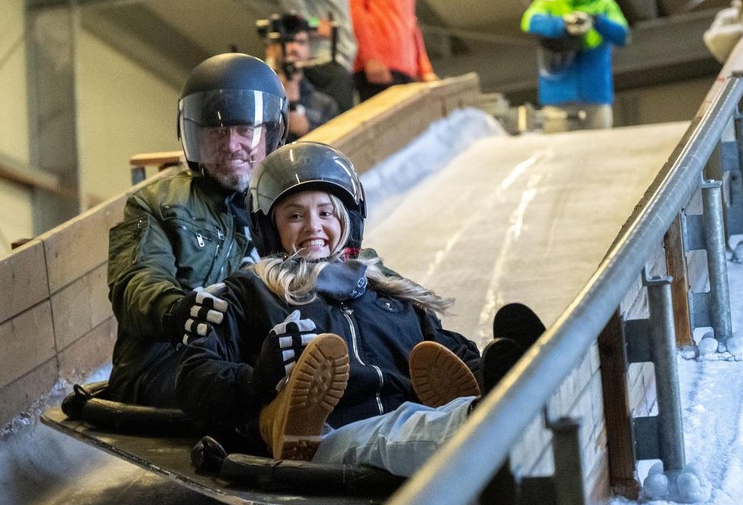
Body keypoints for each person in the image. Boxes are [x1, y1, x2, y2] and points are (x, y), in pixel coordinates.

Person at [176, 142, 526, 474]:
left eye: (325, 212)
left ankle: (519, 382)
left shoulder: (383, 290)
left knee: (423, 419)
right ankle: (484, 421)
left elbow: (446, 349)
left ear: (347, 220)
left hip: (413, 418)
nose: (313, 226)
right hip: (329, 439)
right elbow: (193, 382)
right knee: (394, 434)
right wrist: (259, 378)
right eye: (295, 216)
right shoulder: (250, 292)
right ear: (270, 228)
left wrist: (486, 369)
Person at [106, 53, 288, 407]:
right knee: (244, 381)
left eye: (245, 130)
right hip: (167, 360)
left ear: (269, 132)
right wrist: (177, 311)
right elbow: (136, 281)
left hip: (255, 352)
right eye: (217, 132)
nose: (232, 145)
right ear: (194, 136)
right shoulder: (157, 202)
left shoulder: (286, 204)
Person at [521, 0, 629, 132]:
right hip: (557, 99)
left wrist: (596, 20)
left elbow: (622, 35)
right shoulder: (550, 1)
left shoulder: (603, 2)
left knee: (600, 151)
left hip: (596, 98)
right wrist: (564, 24)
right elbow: (529, 21)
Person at [257, 13, 340, 138]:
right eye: (288, 40)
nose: (294, 47)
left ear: (308, 49)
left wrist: (307, 129)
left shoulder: (325, 105)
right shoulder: (258, 99)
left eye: (301, 42)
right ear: (270, 48)